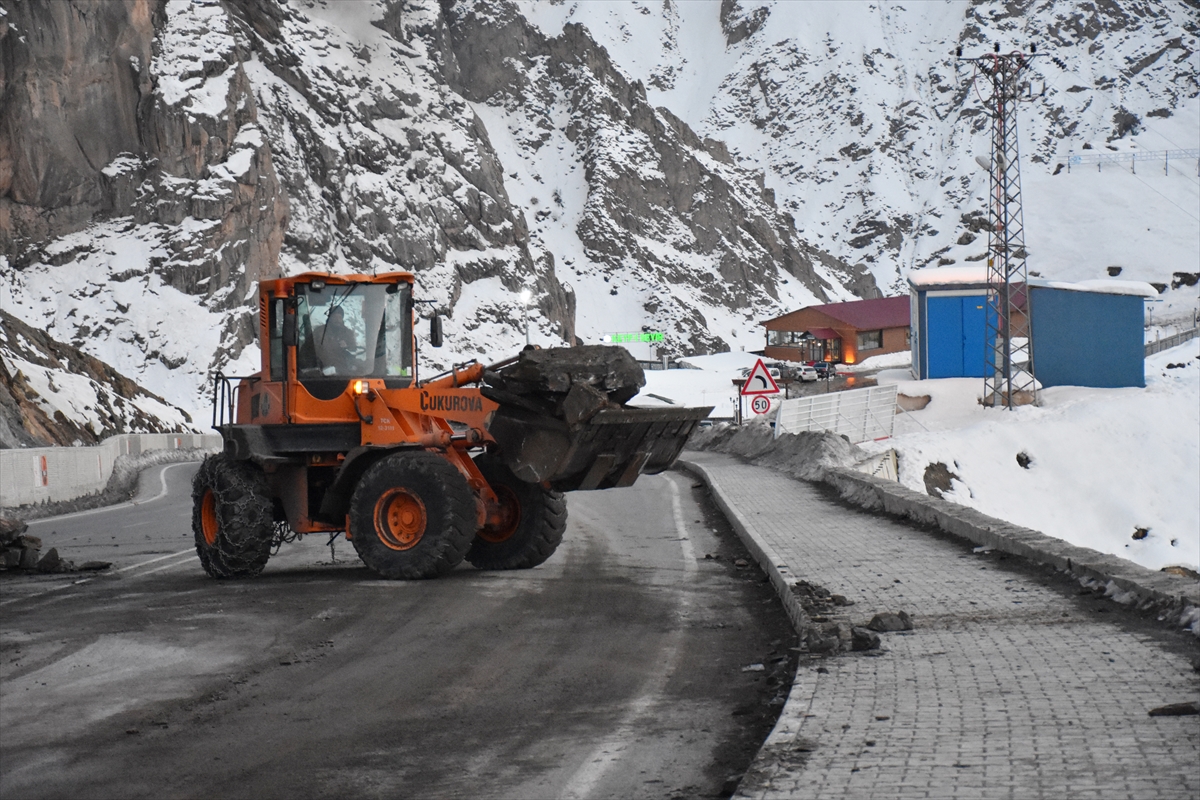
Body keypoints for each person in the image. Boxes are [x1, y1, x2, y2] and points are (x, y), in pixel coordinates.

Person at [314, 306, 358, 375]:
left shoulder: (348, 333)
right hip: (323, 370)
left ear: (342, 318)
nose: (337, 320)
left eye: (339, 317)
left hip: (344, 371)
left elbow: (354, 350)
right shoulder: (319, 332)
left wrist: (347, 347)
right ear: (330, 318)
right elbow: (311, 350)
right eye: (335, 317)